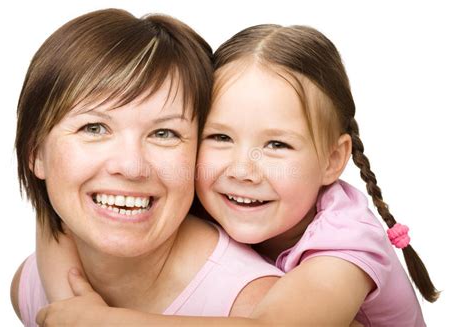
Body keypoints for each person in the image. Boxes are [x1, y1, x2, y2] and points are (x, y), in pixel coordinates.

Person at [29, 23, 438, 326]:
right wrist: (66, 297)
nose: (242, 170)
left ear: (333, 160)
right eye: (220, 137)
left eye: (277, 145)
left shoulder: (347, 244)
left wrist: (99, 321)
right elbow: (59, 222)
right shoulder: (210, 201)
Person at [9, 9, 284, 327]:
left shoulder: (255, 304)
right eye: (95, 128)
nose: (131, 166)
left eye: (164, 133)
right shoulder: (29, 286)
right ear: (35, 154)